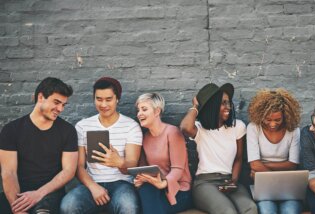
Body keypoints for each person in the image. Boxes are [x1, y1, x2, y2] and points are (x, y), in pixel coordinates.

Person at [60, 77, 142, 214]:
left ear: (117, 99)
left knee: (129, 208)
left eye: (108, 99)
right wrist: (93, 187)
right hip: (91, 183)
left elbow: (132, 166)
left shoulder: (131, 127)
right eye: (99, 99)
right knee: (68, 206)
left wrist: (119, 162)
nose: (103, 104)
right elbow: (79, 166)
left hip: (121, 184)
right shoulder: (82, 126)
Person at [0, 77, 78, 214]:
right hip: (18, 192)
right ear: (41, 97)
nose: (60, 109)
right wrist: (17, 208)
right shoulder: (11, 130)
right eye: (56, 102)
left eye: (63, 104)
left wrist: (38, 194)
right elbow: (9, 173)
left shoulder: (68, 131)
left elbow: (69, 171)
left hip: (50, 193)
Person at [180, 83, 258, 214]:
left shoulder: (237, 126)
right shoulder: (200, 129)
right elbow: (185, 127)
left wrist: (233, 181)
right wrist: (195, 106)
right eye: (223, 103)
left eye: (229, 103)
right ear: (213, 106)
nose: (228, 107)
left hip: (229, 180)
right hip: (205, 183)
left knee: (250, 208)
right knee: (227, 211)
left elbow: (239, 158)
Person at [134, 92, 193, 214]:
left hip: (178, 190)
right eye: (138, 110)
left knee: (151, 205)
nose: (139, 114)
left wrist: (164, 184)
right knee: (146, 190)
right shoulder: (145, 137)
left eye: (144, 109)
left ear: (157, 112)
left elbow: (178, 169)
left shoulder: (172, 132)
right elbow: (145, 168)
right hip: (156, 187)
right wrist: (141, 178)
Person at [247, 88, 302, 214]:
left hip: (286, 185)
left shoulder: (293, 130)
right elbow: (254, 164)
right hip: (263, 186)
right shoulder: (254, 128)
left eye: (277, 120)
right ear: (261, 115)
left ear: (286, 116)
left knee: (290, 211)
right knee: (267, 211)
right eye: (268, 119)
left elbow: (293, 165)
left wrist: (262, 168)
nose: (272, 124)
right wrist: (276, 172)